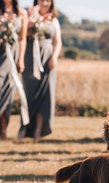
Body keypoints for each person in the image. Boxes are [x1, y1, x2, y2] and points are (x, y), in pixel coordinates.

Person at [17, 0, 61, 140]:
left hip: (47, 61)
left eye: (49, 0)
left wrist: (54, 57)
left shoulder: (54, 20)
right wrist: (33, 21)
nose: (46, 3)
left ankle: (37, 132)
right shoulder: (28, 15)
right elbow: (23, 35)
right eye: (43, 0)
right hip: (30, 60)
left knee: (45, 97)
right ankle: (24, 130)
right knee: (29, 96)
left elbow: (58, 41)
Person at [0, 0, 27, 140]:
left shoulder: (22, 13)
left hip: (13, 56)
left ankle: (3, 130)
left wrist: (20, 59)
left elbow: (22, 39)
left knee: (8, 92)